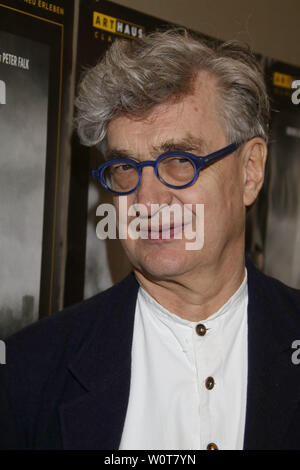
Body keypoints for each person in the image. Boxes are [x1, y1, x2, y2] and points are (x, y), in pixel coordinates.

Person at [1, 29, 300, 451]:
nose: (146, 200)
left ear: (249, 171)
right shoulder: (30, 372)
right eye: (125, 167)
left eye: (180, 160)